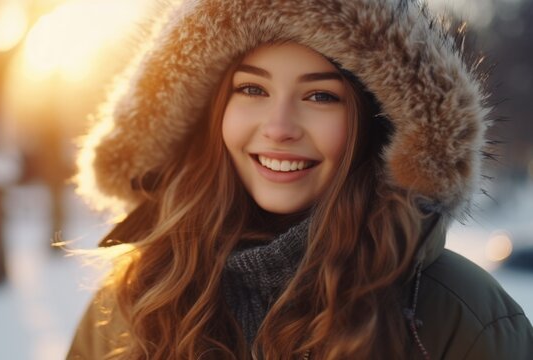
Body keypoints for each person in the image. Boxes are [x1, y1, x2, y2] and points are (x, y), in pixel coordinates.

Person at [68, 0, 533, 359]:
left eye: (319, 96)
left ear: (378, 122)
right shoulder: (135, 297)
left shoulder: (462, 317)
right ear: (207, 112)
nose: (279, 127)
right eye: (252, 89)